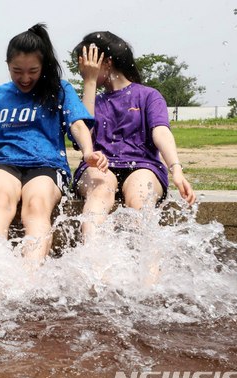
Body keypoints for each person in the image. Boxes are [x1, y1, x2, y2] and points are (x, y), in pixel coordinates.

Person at [0, 24, 108, 265]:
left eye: (33, 70)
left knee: (36, 205)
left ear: (43, 66)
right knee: (0, 200)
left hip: (47, 166)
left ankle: (30, 276)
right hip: (4, 165)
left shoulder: (59, 90)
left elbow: (77, 123)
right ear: (7, 65)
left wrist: (88, 151)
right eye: (17, 71)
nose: (25, 78)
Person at [72, 31, 196, 240]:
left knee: (140, 200)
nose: (82, 71)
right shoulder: (90, 100)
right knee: (99, 195)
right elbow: (84, 133)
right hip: (98, 166)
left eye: (87, 65)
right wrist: (90, 83)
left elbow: (161, 131)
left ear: (107, 62)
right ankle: (94, 267)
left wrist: (176, 169)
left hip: (142, 165)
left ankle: (149, 272)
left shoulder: (148, 95)